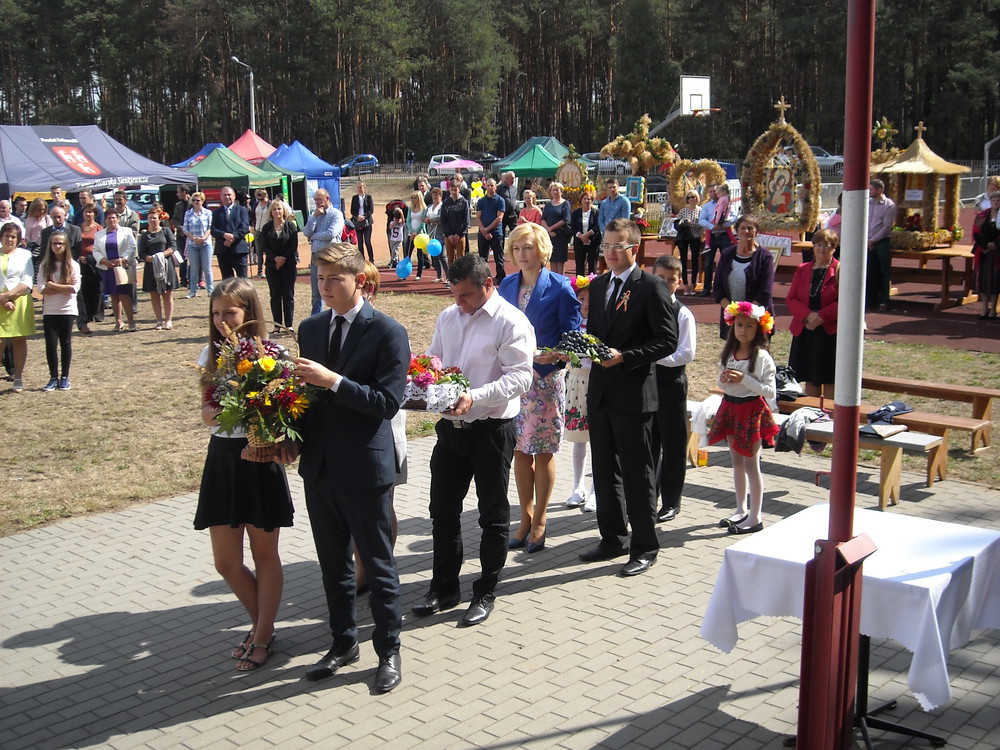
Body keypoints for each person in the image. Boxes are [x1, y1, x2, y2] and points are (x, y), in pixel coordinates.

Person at [276, 243, 408, 692]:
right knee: (333, 564)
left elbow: (387, 403)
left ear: (360, 281)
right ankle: (343, 642)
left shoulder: (387, 331)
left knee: (378, 564)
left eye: (335, 278)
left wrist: (333, 381)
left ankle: (388, 650)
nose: (325, 287)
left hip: (365, 468)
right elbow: (307, 399)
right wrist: (290, 436)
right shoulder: (310, 328)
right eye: (320, 278)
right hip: (320, 467)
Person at [412, 253, 534, 626]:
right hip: (451, 431)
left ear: (488, 285)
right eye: (454, 294)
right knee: (442, 511)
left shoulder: (511, 321)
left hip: (492, 431)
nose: (459, 302)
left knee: (492, 516)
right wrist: (420, 379)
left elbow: (520, 377)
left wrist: (474, 397)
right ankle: (444, 588)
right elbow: (434, 359)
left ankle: (485, 590)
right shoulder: (449, 316)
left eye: (465, 295)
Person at [195, 277, 293, 671]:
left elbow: (285, 409)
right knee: (226, 562)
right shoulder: (210, 355)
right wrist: (232, 405)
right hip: (222, 458)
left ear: (249, 312)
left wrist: (258, 408)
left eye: (230, 313)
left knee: (264, 554)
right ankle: (262, 625)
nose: (222, 321)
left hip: (259, 459)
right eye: (216, 313)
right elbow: (206, 414)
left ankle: (263, 634)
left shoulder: (275, 354)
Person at [579, 218, 677, 577]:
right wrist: (574, 351)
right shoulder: (599, 284)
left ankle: (645, 545)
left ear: (634, 249)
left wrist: (626, 357)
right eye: (605, 245)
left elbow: (667, 340)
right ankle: (612, 537)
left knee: (638, 474)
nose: (609, 252)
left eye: (617, 246)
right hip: (602, 393)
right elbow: (594, 334)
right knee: (604, 471)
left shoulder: (651, 286)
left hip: (635, 394)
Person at [499, 223, 581, 553]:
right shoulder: (507, 284)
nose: (522, 254)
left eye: (528, 247)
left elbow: (574, 337)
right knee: (519, 451)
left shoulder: (560, 287)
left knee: (542, 450)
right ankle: (525, 517)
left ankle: (542, 520)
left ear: (542, 250)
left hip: (545, 380)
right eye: (517, 248)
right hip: (513, 380)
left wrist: (556, 354)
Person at [355, 260, 405, 591]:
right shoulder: (327, 327)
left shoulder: (386, 331)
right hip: (348, 436)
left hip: (384, 431)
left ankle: (378, 567)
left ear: (368, 288)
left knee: (382, 504)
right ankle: (364, 567)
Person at [707, 301, 778, 535]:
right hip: (730, 407)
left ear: (759, 329)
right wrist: (724, 380)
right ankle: (740, 510)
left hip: (751, 410)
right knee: (736, 461)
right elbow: (721, 382)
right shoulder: (729, 353)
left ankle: (756, 517)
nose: (743, 330)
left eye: (749, 326)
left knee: (751, 463)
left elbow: (769, 391)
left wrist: (744, 379)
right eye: (739, 325)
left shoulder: (762, 357)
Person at [648, 255, 696, 523]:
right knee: (649, 442)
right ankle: (648, 497)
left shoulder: (683, 313)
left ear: (679, 282)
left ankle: (671, 502)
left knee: (673, 443)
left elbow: (686, 352)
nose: (666, 284)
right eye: (661, 278)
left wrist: (653, 358)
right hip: (647, 384)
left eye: (671, 280)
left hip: (671, 384)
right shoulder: (646, 307)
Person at [787, 228, 840, 396]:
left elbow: (845, 301)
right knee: (810, 377)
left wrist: (822, 317)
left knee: (829, 378)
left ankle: (830, 411)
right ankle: (812, 409)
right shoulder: (802, 269)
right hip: (806, 329)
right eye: (818, 244)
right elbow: (791, 299)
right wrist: (808, 315)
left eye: (826, 245)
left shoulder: (840, 270)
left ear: (834, 248)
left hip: (829, 331)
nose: (821, 249)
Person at [563, 273, 598, 511]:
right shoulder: (572, 323)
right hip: (576, 383)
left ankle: (596, 490)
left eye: (590, 300)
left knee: (598, 439)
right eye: (581, 299)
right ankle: (578, 487)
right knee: (578, 438)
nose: (585, 304)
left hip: (596, 382)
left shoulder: (602, 324)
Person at [712, 214, 775, 339]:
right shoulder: (727, 254)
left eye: (750, 228)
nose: (746, 231)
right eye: (742, 228)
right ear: (736, 230)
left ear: (757, 232)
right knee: (732, 351)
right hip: (732, 319)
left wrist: (748, 314)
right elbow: (718, 288)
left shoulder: (765, 257)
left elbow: (765, 291)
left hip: (756, 319)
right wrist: (733, 312)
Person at [36, 232, 80, 392]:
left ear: (66, 245)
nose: (58, 246)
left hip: (67, 309)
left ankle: (65, 377)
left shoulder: (72, 265)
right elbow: (41, 289)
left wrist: (52, 285)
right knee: (51, 344)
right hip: (50, 310)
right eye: (55, 243)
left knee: (65, 343)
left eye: (61, 243)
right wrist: (63, 285)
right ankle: (53, 377)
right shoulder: (45, 265)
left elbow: (74, 288)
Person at [0, 222, 35, 392]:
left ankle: (18, 377)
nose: (10, 239)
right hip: (0, 302)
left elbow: (27, 281)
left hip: (19, 301)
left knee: (19, 339)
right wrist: (2, 299)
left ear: (18, 239)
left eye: (13, 237)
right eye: (7, 236)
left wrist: (9, 296)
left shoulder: (25, 255)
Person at [93, 209, 138, 332]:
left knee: (124, 295)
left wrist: (122, 259)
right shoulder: (99, 234)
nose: (112, 220)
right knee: (113, 295)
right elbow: (95, 250)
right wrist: (103, 261)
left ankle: (131, 322)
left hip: (122, 267)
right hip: (108, 268)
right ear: (105, 220)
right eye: (109, 218)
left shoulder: (126, 231)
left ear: (117, 219)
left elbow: (132, 247)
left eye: (114, 218)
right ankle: (118, 321)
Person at [302, 188, 345, 315]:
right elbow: (306, 232)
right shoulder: (314, 214)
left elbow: (330, 234)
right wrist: (314, 217)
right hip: (316, 256)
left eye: (319, 199)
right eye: (315, 199)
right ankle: (316, 318)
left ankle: (337, 315)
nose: (317, 202)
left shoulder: (336, 214)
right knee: (316, 291)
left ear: (327, 199)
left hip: (331, 256)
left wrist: (314, 236)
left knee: (334, 289)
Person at [259, 198, 299, 331]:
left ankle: (289, 325)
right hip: (272, 266)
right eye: (274, 209)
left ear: (284, 210)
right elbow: (264, 246)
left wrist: (283, 258)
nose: (277, 211)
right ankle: (277, 325)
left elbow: (293, 245)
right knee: (275, 295)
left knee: (288, 294)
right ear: (271, 212)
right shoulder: (266, 228)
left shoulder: (291, 226)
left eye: (279, 209)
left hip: (289, 265)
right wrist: (275, 258)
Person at [138, 211, 178, 330]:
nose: (152, 220)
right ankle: (159, 320)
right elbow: (141, 253)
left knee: (168, 293)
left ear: (159, 219)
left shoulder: (166, 231)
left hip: (166, 265)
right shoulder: (145, 235)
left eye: (155, 218)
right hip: (151, 267)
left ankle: (168, 320)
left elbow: (173, 246)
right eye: (150, 218)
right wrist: (152, 259)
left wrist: (161, 255)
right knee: (154, 294)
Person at [867, 178, 896, 311]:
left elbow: (886, 227)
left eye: (871, 189)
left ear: (880, 190)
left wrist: (873, 240)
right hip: (868, 240)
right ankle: (870, 298)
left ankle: (884, 299)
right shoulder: (868, 203)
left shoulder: (889, 205)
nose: (869, 192)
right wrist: (868, 240)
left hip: (881, 241)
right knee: (869, 270)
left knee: (883, 270)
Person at [211, 186, 251, 279]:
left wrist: (233, 237)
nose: (227, 197)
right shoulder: (216, 212)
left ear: (234, 196)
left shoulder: (242, 210)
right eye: (224, 195)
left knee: (242, 280)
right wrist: (224, 235)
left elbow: (244, 227)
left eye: (229, 194)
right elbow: (213, 229)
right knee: (227, 281)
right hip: (222, 250)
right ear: (221, 197)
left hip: (239, 250)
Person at [972, 191, 1000, 319]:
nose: (996, 202)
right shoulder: (982, 216)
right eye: (994, 200)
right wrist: (986, 245)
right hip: (983, 252)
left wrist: (995, 244)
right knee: (982, 281)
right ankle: (984, 307)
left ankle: (993, 308)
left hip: (997, 253)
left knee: (995, 281)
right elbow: (976, 232)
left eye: (998, 200)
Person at [77, 204, 103, 333]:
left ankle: (97, 313)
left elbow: (101, 245)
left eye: (90, 212)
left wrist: (92, 257)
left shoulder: (99, 228)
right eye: (86, 212)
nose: (88, 214)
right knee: (84, 288)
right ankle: (86, 314)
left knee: (97, 287)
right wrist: (80, 257)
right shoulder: (78, 228)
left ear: (94, 214)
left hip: (95, 260)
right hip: (80, 261)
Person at [183, 192, 214, 298]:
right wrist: (193, 239)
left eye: (198, 200)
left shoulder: (208, 213)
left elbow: (210, 228)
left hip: (206, 244)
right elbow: (185, 228)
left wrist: (203, 238)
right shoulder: (188, 213)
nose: (196, 202)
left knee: (207, 268)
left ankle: (210, 290)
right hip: (192, 244)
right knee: (194, 268)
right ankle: (192, 291)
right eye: (194, 200)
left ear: (202, 201)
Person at [476, 178, 507, 282]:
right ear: (485, 186)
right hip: (483, 233)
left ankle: (500, 278)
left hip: (496, 232)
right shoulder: (481, 201)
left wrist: (487, 229)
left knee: (498, 258)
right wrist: (483, 231)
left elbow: (499, 218)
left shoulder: (500, 200)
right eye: (488, 185)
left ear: (495, 187)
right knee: (482, 258)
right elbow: (478, 217)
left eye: (492, 185)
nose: (490, 187)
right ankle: (484, 277)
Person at [673, 190, 703, 295]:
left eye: (693, 197)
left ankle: (693, 284)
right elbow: (678, 224)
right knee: (683, 261)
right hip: (684, 238)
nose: (691, 199)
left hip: (695, 237)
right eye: (689, 197)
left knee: (695, 261)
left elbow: (702, 224)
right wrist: (683, 223)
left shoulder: (700, 210)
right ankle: (685, 285)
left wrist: (691, 224)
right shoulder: (683, 211)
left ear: (697, 198)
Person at [542, 181, 572, 275]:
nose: (555, 192)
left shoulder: (565, 203)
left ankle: (560, 279)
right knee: (552, 259)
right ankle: (554, 279)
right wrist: (548, 230)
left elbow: (565, 219)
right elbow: (543, 219)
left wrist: (551, 228)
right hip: (550, 235)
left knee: (560, 260)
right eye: (553, 190)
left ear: (561, 191)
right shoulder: (548, 205)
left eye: (557, 190)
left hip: (561, 235)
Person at [571, 190, 601, 276]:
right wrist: (581, 236)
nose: (587, 201)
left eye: (589, 199)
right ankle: (580, 282)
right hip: (579, 242)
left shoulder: (596, 212)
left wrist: (587, 235)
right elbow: (572, 227)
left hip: (593, 242)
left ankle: (592, 282)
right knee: (579, 264)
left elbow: (598, 226)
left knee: (592, 264)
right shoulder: (575, 213)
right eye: (585, 199)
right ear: (581, 200)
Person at [441, 176, 470, 265]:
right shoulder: (446, 202)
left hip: (460, 235)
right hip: (448, 235)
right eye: (452, 190)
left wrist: (458, 234)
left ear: (459, 189)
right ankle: (451, 274)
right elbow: (443, 219)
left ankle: (461, 274)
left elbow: (465, 220)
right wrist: (449, 234)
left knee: (460, 258)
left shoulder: (464, 202)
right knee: (450, 258)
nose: (453, 192)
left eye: (455, 190)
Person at [423, 186, 449, 283]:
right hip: (431, 234)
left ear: (440, 196)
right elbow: (423, 217)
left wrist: (430, 220)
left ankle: (448, 276)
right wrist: (429, 220)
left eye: (436, 195)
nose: (434, 197)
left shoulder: (442, 207)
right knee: (434, 255)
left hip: (440, 234)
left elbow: (441, 218)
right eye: (433, 195)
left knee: (442, 256)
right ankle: (439, 276)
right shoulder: (429, 207)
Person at [172, 185, 192, 287]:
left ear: (184, 192)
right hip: (181, 235)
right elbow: (174, 219)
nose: (177, 194)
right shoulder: (178, 205)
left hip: (192, 235)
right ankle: (183, 279)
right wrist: (180, 228)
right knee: (182, 258)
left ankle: (194, 278)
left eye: (178, 192)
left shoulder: (193, 203)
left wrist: (188, 230)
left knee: (193, 258)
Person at [350, 182, 375, 263]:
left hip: (367, 223)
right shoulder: (354, 198)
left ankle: (371, 259)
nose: (359, 189)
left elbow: (371, 210)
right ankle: (362, 260)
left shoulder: (368, 197)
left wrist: (364, 216)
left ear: (364, 188)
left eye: (361, 187)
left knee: (367, 241)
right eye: (358, 187)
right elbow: (352, 211)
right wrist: (357, 217)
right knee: (360, 242)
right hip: (358, 223)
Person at [252, 189, 270, 278]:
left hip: (267, 231)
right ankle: (260, 271)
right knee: (259, 252)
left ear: (266, 196)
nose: (260, 201)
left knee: (268, 252)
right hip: (257, 231)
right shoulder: (256, 204)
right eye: (258, 199)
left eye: (262, 199)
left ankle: (269, 270)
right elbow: (253, 216)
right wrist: (253, 226)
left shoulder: (270, 204)